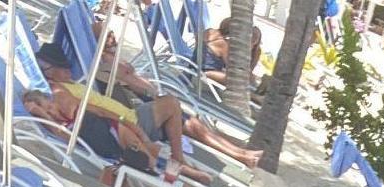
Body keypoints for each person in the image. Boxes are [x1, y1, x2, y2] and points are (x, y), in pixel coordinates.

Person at [35, 40, 263, 170]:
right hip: (126, 123)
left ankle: (240, 154)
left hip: (130, 115)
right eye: (62, 67)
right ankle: (180, 158)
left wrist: (109, 51)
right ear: (49, 71)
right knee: (172, 104)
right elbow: (92, 111)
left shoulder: (71, 82)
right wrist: (128, 124)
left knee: (192, 124)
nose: (68, 69)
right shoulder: (60, 91)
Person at [23, 89, 213, 187]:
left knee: (152, 164)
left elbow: (102, 112)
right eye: (35, 110)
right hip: (105, 148)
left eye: (40, 104)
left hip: (115, 130)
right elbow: (63, 135)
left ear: (47, 98)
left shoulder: (66, 103)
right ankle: (189, 183)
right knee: (153, 163)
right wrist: (41, 113)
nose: (43, 110)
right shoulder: (54, 125)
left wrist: (133, 127)